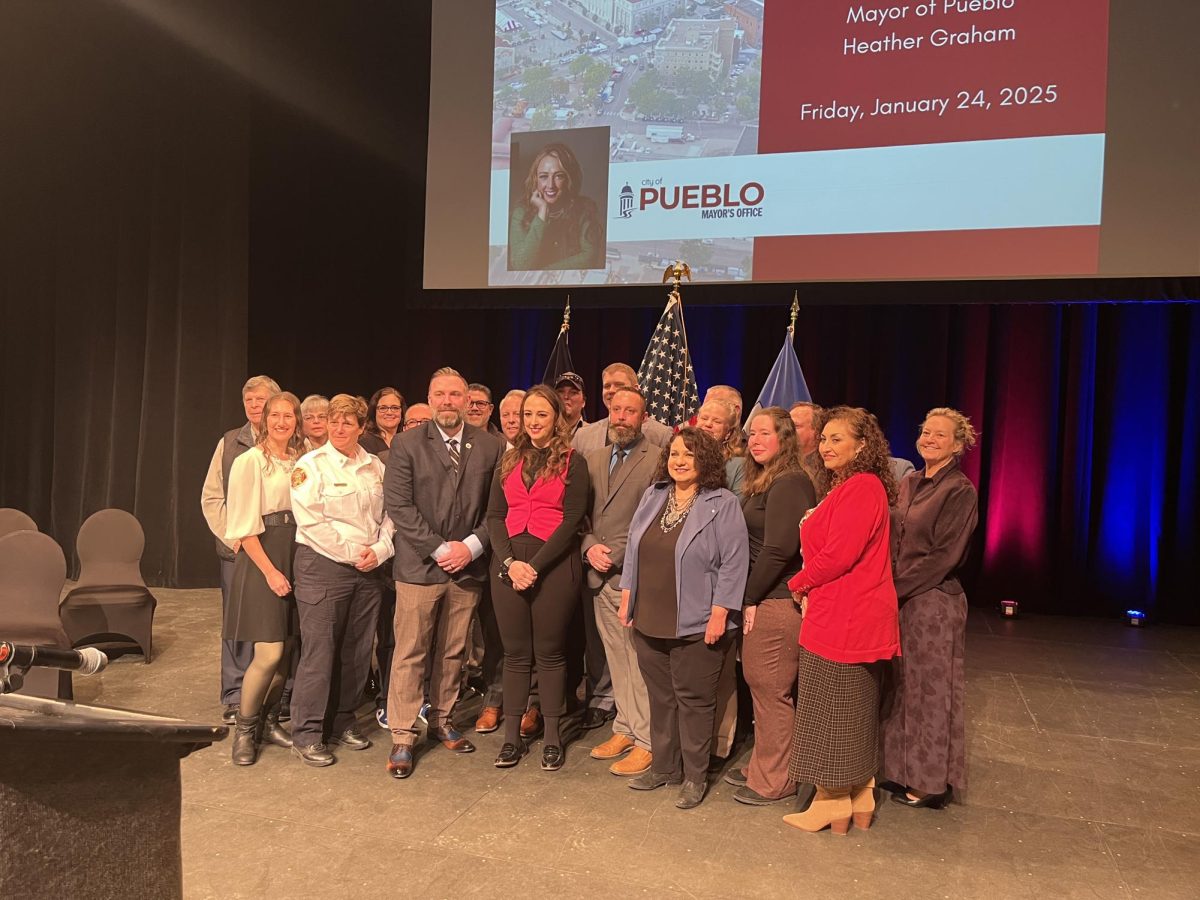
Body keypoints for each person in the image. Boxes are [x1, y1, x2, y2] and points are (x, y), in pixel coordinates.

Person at [783, 407, 901, 835]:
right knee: (850, 709)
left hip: (844, 616)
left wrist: (797, 583)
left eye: (838, 439)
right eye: (825, 438)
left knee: (830, 709)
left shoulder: (862, 487)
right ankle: (860, 793)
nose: (828, 446)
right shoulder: (852, 486)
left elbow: (838, 554)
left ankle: (831, 801)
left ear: (863, 446)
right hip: (847, 613)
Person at [383, 368, 504, 779]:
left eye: (456, 394)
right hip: (419, 566)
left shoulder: (490, 446)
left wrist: (469, 547)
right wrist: (438, 549)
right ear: (430, 399)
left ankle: (443, 719)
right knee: (411, 650)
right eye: (441, 394)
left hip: (467, 567)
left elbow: (496, 510)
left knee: (454, 650)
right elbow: (399, 506)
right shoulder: (406, 443)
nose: (449, 401)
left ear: (467, 400)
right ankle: (402, 734)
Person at [620, 427, 748, 809]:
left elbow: (734, 563)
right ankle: (664, 767)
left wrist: (720, 613)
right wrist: (628, 597)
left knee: (694, 701)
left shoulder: (722, 503)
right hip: (649, 616)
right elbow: (633, 548)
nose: (678, 461)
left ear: (704, 460)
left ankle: (694, 776)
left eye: (688, 455)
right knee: (661, 698)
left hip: (696, 620)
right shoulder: (653, 495)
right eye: (674, 453)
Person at [486, 384, 590, 770]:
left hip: (554, 565)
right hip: (510, 563)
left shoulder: (573, 461)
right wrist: (511, 562)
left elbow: (573, 518)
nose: (532, 422)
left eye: (541, 414)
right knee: (515, 655)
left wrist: (536, 565)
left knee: (549, 654)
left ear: (556, 418)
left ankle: (551, 738)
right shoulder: (508, 459)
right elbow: (495, 516)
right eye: (527, 414)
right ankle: (511, 738)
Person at [288, 394, 395, 767]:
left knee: (357, 651)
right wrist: (355, 554)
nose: (339, 428)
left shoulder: (375, 467)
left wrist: (380, 551)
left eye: (348, 422)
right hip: (324, 568)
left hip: (368, 570)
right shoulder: (311, 465)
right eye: (334, 421)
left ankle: (343, 721)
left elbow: (390, 516)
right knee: (320, 653)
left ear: (362, 427)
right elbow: (311, 522)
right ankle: (307, 733)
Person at [882, 408, 979, 810]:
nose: (930, 439)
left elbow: (944, 557)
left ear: (958, 444)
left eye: (941, 435)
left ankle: (929, 782)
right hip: (900, 599)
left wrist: (892, 589)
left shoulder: (960, 490)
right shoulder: (907, 482)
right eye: (926, 432)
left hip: (933, 603)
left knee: (930, 692)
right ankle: (899, 769)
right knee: (900, 688)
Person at [730, 408, 816, 805]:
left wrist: (748, 597)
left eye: (765, 433)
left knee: (771, 689)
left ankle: (776, 779)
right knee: (762, 688)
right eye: (751, 434)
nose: (755, 440)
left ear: (785, 438)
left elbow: (781, 547)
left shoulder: (791, 482)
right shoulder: (768, 480)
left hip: (777, 600)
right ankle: (766, 764)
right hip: (765, 597)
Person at [580, 387, 660, 777]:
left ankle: (647, 740)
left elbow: (652, 522)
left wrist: (614, 554)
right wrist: (590, 546)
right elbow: (581, 516)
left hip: (633, 577)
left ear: (644, 418)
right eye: (616, 410)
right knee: (615, 661)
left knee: (637, 661)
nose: (622, 417)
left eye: (631, 411)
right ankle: (625, 727)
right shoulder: (593, 459)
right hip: (597, 576)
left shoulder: (658, 460)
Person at [223, 390, 303, 765]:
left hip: (297, 552)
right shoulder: (250, 461)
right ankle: (244, 729)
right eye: (276, 416)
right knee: (268, 651)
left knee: (287, 650)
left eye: (289, 416)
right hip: (263, 556)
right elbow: (243, 526)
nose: (282, 423)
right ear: (264, 420)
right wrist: (270, 570)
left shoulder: (300, 461)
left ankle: (270, 721)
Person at [201, 374, 280, 722]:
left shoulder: (289, 443)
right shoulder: (230, 442)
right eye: (248, 400)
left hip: (277, 551)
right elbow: (212, 497)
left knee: (274, 627)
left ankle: (274, 695)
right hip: (237, 550)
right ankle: (235, 696)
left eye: (260, 400)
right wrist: (231, 536)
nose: (253, 406)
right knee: (237, 627)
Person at [508, 142, 603, 271]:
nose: (550, 185)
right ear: (535, 179)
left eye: (559, 176)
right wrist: (542, 213)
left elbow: (589, 257)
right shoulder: (521, 213)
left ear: (569, 179)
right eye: (543, 176)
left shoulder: (585, 209)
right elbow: (521, 265)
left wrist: (544, 272)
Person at [573, 362, 674, 453]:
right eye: (607, 386)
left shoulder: (661, 435)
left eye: (619, 385)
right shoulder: (582, 436)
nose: (611, 390)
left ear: (636, 389)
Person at [696, 398, 745, 497]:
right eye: (704, 418)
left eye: (717, 421)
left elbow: (736, 507)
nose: (708, 424)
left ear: (728, 433)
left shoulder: (738, 466)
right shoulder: (680, 456)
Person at [360, 387, 405, 456]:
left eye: (395, 408)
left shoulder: (406, 441)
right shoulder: (364, 441)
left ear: (402, 412)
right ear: (374, 412)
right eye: (383, 408)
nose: (389, 412)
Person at [789, 401, 824, 488]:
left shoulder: (826, 468)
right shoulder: (779, 460)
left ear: (817, 430)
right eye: (788, 425)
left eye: (796, 426)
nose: (788, 430)